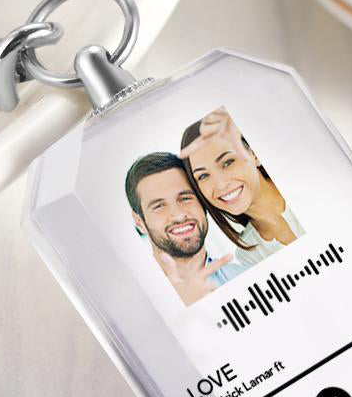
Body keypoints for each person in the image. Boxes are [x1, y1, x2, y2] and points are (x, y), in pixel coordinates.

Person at [179, 107, 303, 264]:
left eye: (228, 162)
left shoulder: (305, 186)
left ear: (254, 154)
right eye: (203, 176)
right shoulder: (249, 255)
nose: (221, 185)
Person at [124, 152, 236, 306]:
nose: (178, 215)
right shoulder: (136, 305)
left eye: (185, 198)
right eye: (159, 206)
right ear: (139, 222)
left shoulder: (247, 275)